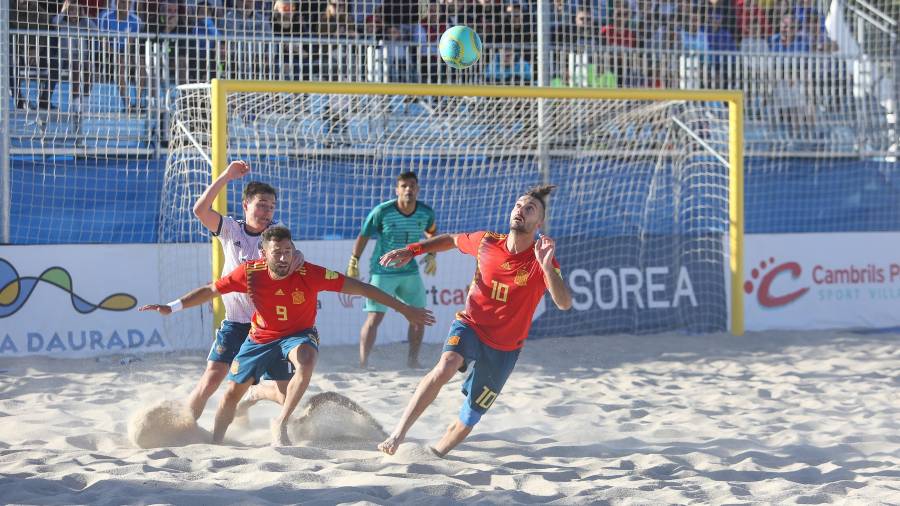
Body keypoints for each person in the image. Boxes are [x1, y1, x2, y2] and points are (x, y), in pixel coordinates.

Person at [140, 226, 435, 445]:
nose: (283, 258)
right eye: (277, 252)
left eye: (288, 251)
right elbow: (211, 290)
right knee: (232, 394)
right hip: (260, 339)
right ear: (263, 253)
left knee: (306, 360)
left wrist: (404, 309)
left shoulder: (309, 273)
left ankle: (280, 424)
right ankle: (217, 441)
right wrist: (173, 306)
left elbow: (364, 289)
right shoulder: (250, 272)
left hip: (298, 335)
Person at [376, 184, 573, 457]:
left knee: (469, 416)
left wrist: (547, 266)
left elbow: (564, 303)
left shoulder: (542, 261)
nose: (521, 210)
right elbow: (451, 240)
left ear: (538, 223)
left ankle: (434, 455)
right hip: (472, 325)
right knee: (446, 365)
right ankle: (397, 434)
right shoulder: (487, 241)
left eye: (530, 209)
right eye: (518, 205)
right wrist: (413, 250)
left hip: (505, 348)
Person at [185, 160, 303, 421]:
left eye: (271, 207)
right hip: (237, 323)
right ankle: (183, 428)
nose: (267, 211)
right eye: (261, 205)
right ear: (246, 205)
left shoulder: (275, 234)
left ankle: (257, 393)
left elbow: (292, 251)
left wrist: (298, 255)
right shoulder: (231, 228)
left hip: (270, 328)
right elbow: (199, 210)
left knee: (285, 396)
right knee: (210, 381)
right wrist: (226, 176)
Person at [346, 171, 437, 369]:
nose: (408, 190)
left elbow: (431, 231)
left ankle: (413, 361)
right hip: (382, 270)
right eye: (404, 186)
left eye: (412, 185)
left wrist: (431, 254)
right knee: (375, 317)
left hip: (410, 270)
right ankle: (363, 364)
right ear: (397, 190)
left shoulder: (426, 212)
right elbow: (364, 235)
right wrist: (354, 260)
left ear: (418, 189)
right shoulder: (382, 211)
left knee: (419, 316)